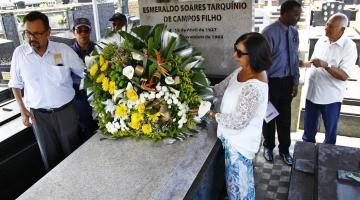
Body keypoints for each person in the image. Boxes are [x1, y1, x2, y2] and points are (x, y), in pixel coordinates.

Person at [8, 11, 84, 172]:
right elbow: (15, 84)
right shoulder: (20, 54)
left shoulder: (62, 51)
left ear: (49, 32)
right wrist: (22, 110)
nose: (31, 38)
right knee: (50, 160)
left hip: (66, 113)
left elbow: (85, 73)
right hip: (39, 117)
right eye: (27, 33)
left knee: (75, 155)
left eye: (37, 34)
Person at [208, 32, 271, 200]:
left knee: (239, 189)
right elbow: (218, 89)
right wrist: (196, 93)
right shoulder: (240, 71)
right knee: (235, 185)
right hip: (231, 139)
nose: (234, 56)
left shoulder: (255, 86)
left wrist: (211, 114)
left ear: (255, 55)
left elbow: (238, 121)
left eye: (240, 53)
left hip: (240, 145)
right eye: (235, 49)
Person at [301, 13, 357, 144]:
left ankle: (326, 162)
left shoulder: (349, 47)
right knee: (308, 134)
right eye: (326, 24)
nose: (326, 28)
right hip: (312, 94)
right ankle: (305, 159)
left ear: (342, 29)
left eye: (331, 26)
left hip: (330, 98)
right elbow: (315, 62)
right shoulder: (322, 40)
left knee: (330, 136)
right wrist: (304, 64)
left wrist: (327, 66)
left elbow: (344, 75)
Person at [261, 0, 301, 166]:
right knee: (269, 117)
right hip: (271, 82)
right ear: (284, 13)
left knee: (285, 119)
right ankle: (268, 147)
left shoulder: (294, 32)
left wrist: (295, 81)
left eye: (299, 14)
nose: (298, 17)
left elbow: (295, 58)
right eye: (295, 14)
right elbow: (262, 62)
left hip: (287, 82)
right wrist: (265, 86)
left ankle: (284, 150)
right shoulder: (269, 32)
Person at [71, 17, 97, 142]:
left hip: (98, 97)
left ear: (90, 32)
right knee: (85, 130)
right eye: (79, 30)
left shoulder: (99, 49)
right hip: (80, 100)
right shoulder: (67, 53)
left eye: (86, 30)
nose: (83, 34)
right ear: (73, 32)